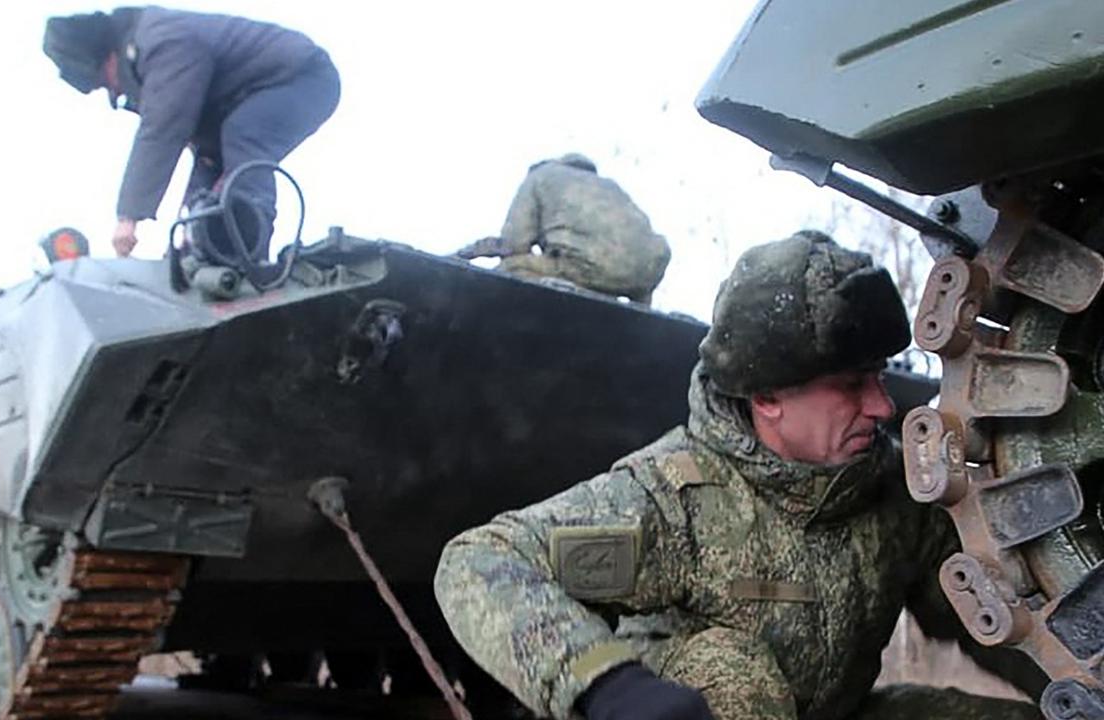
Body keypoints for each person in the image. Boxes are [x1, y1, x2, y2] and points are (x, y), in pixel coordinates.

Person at [434, 231, 1045, 720]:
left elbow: (983, 619)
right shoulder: (675, 497)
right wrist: (605, 684)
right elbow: (479, 561)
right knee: (733, 677)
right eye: (852, 385)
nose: (883, 406)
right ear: (768, 397)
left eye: (880, 377)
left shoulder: (888, 488)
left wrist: (1077, 678)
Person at [43, 7, 341, 260]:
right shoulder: (146, 47)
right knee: (202, 195)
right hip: (241, 104)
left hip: (300, 77)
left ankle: (247, 253)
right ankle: (203, 254)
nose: (115, 91)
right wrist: (190, 231)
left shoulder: (160, 42)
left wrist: (129, 217)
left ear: (108, 58)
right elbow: (201, 147)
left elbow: (164, 125)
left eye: (106, 84)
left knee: (246, 137)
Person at [456, 154, 671, 304]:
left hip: (583, 265)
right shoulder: (609, 186)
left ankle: (570, 291)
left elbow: (514, 244)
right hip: (644, 277)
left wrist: (466, 254)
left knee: (510, 270)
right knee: (620, 269)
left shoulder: (540, 175)